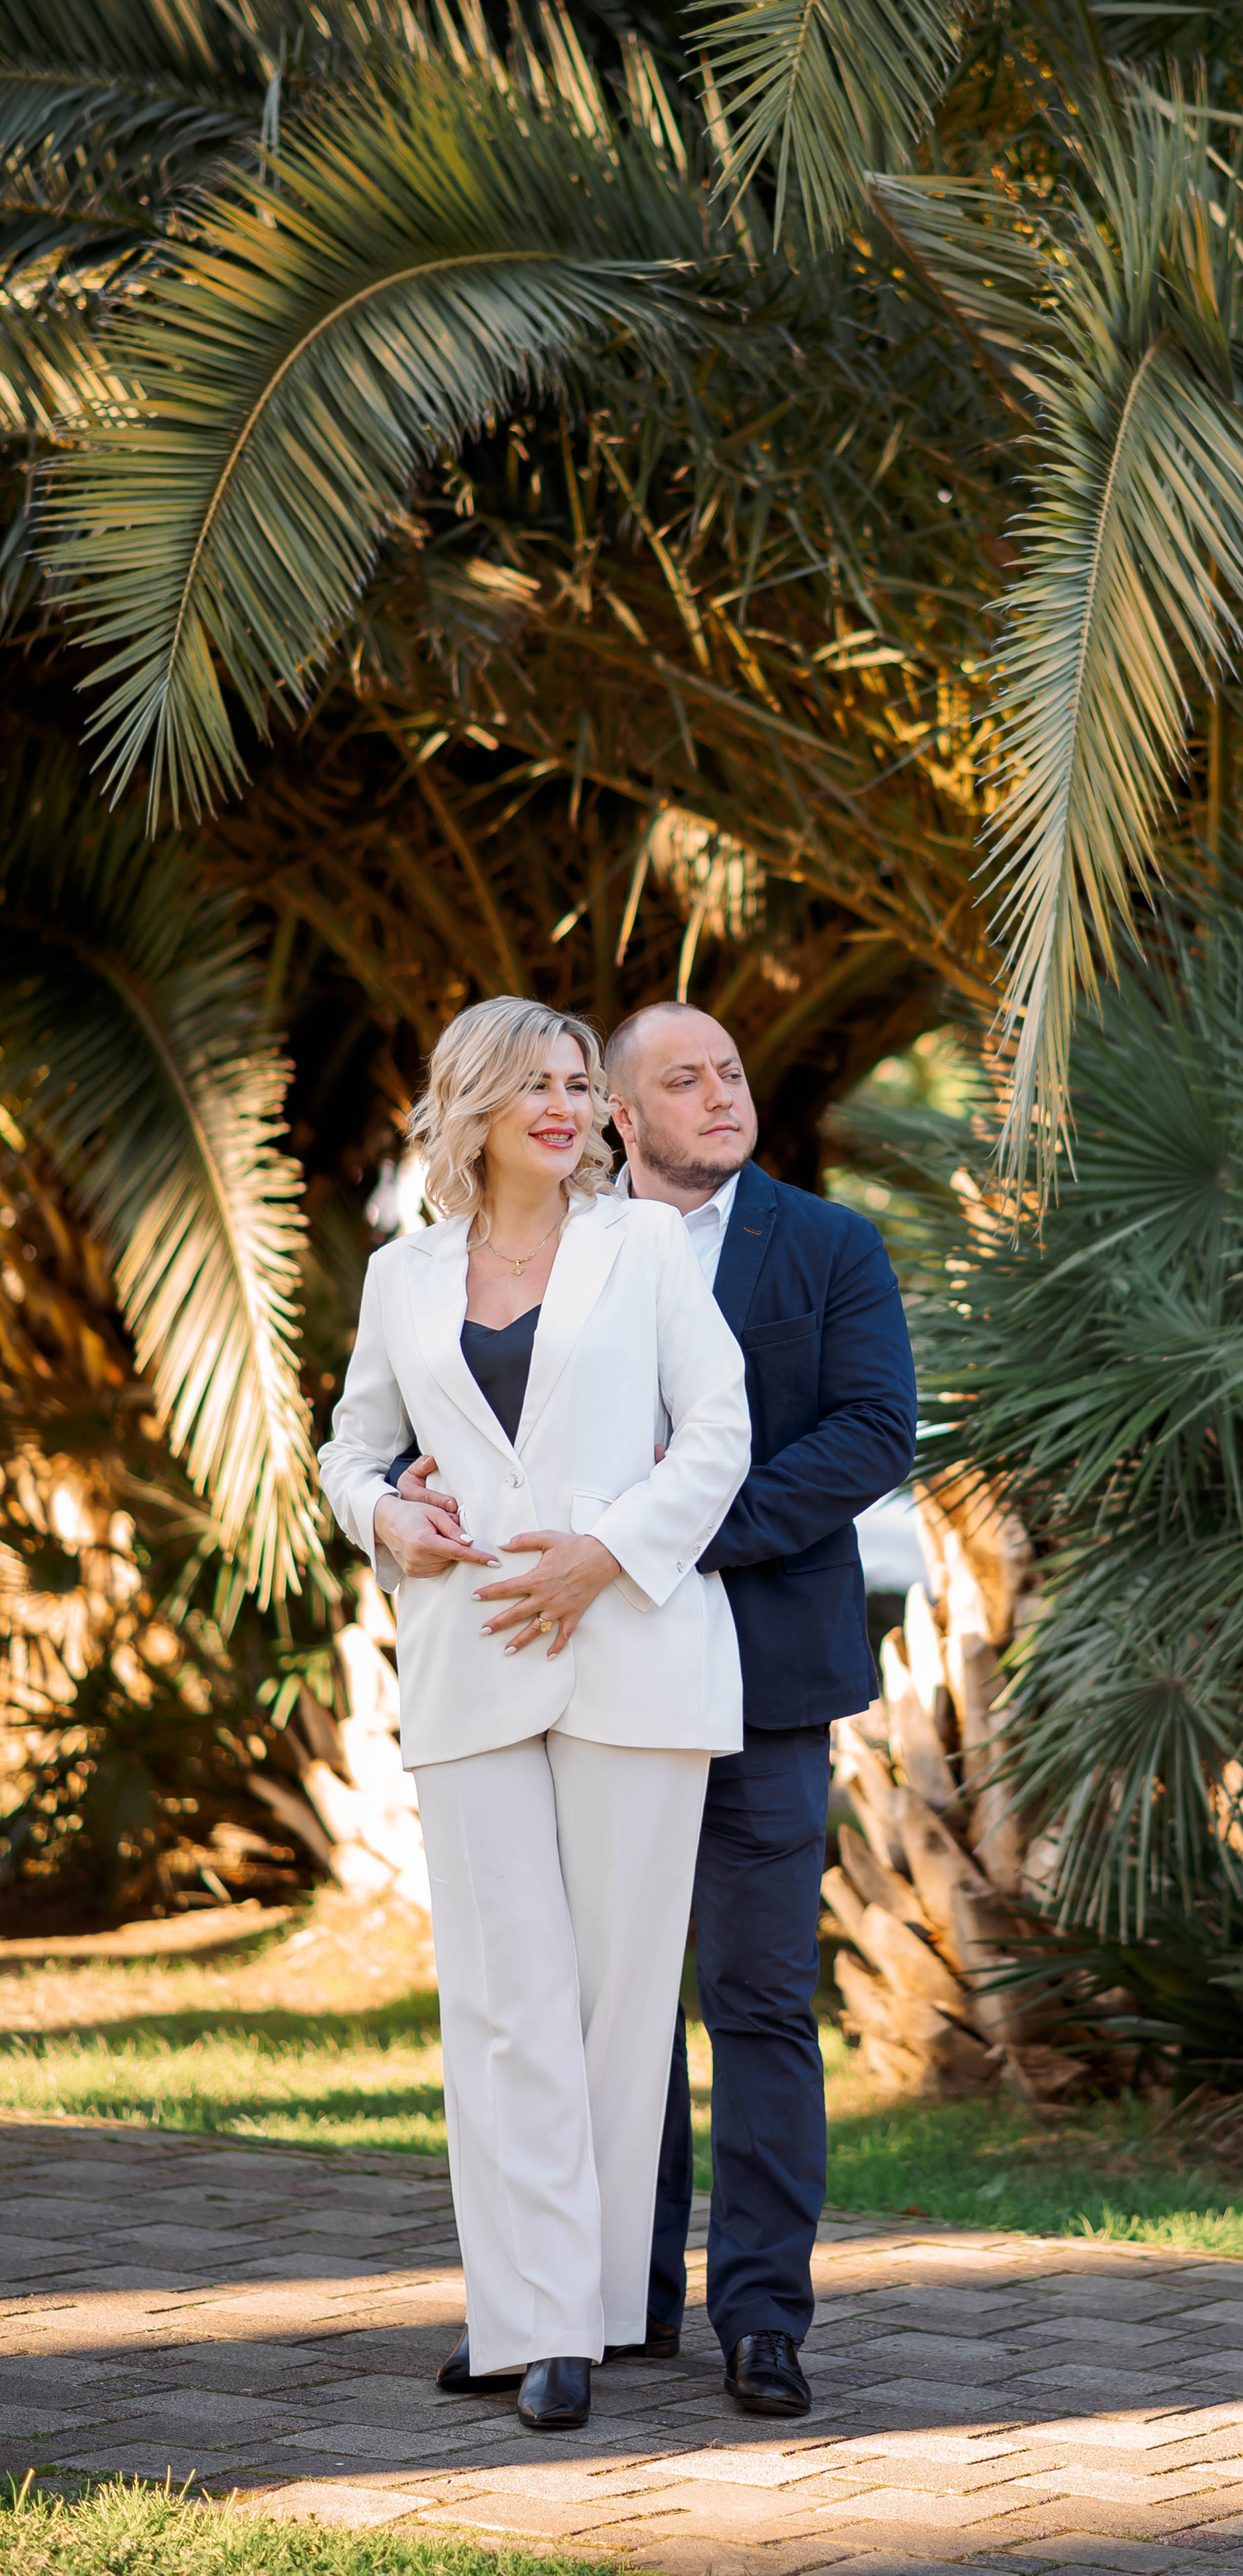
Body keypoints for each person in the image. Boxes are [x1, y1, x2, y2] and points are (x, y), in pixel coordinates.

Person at [320, 996, 749, 2435]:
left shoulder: (645, 1248)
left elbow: (720, 1429)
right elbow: (352, 1444)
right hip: (469, 1662)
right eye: (538, 1086)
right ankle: (534, 2318)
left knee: (618, 2014)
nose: (568, 1108)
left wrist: (606, 1555)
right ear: (474, 1107)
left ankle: (577, 2313)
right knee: (504, 2010)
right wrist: (391, 1513)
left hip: (632, 1653)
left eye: (580, 1084)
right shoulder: (402, 1276)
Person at [601, 1002, 918, 2418]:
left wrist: (674, 1534)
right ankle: (620, 2299)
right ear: (622, 1114)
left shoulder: (831, 1244)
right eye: (686, 1078)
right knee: (612, 2009)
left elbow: (871, 1432)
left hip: (772, 1679)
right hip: (592, 1676)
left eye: (730, 1071)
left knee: (762, 2003)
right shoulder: (565, 1242)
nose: (724, 1094)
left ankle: (764, 2319)